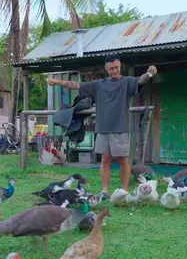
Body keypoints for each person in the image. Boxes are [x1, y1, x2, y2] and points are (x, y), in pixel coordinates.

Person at [47, 55, 157, 199]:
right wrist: (57, 82)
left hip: (120, 128)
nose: (115, 70)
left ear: (120, 66)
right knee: (105, 160)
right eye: (111, 68)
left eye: (117, 67)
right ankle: (104, 191)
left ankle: (124, 190)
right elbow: (76, 85)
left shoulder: (127, 83)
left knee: (123, 160)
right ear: (106, 68)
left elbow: (140, 80)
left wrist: (149, 73)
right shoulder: (98, 84)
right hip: (102, 128)